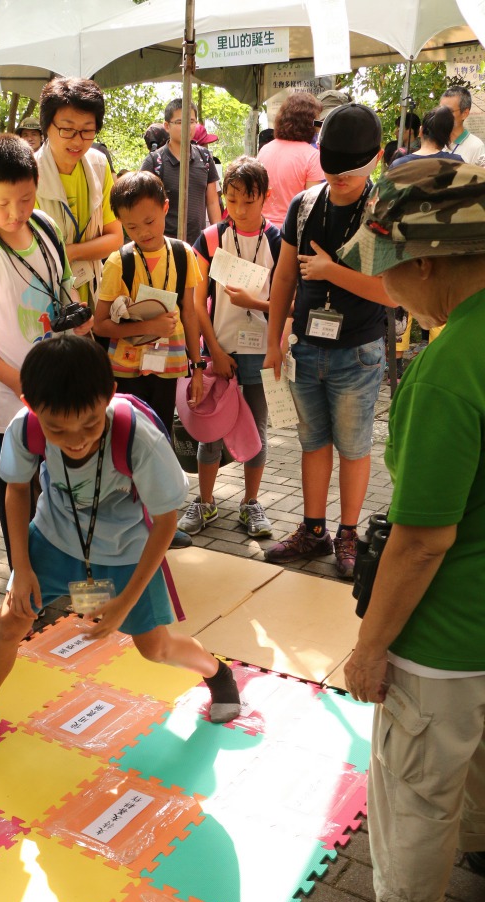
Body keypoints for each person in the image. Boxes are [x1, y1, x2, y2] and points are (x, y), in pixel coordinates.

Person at [308, 158, 485, 902]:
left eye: (393, 271)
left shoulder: (452, 365)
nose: (393, 293)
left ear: (430, 262)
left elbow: (422, 539)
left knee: (414, 785)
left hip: (448, 633)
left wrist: (372, 647)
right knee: (476, 754)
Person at [0, 336, 241, 761]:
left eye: (90, 425)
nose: (75, 440)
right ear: (31, 404)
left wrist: (124, 603)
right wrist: (21, 566)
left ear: (110, 397)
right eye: (57, 429)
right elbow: (17, 490)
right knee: (9, 622)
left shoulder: (139, 437)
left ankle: (218, 673)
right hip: (57, 536)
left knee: (155, 648)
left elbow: (167, 522)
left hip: (129, 549)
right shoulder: (25, 426)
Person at [263, 103, 394, 579]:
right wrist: (275, 338)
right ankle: (313, 530)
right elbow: (282, 278)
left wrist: (330, 271)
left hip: (357, 351)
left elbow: (389, 291)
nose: (339, 178)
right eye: (331, 167)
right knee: (312, 442)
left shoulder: (383, 209)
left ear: (376, 159)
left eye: (351, 170)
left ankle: (348, 534)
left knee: (354, 447)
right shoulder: (304, 205)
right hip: (305, 348)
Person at [0, 133, 92, 562]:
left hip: (58, 390)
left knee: (68, 488)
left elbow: (65, 290)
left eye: (27, 198)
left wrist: (79, 319)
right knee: (19, 491)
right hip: (9, 399)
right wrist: (21, 384)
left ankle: (67, 570)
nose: (17, 213)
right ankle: (26, 576)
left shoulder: (46, 227)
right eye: (3, 203)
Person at [179, 156, 281, 538]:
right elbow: (194, 303)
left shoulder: (278, 240)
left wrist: (253, 304)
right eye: (231, 200)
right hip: (217, 350)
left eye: (248, 201)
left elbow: (289, 303)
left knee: (257, 430)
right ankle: (205, 502)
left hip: (263, 353)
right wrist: (213, 355)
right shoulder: (208, 239)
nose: (238, 210)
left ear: (265, 197)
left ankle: (250, 504)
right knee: (210, 430)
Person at [93, 170, 204, 436]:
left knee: (160, 438)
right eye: (131, 227)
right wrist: (151, 327)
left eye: (149, 221)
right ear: (120, 222)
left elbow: (189, 313)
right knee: (126, 439)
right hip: (126, 371)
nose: (143, 232)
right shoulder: (119, 262)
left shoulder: (183, 254)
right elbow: (100, 325)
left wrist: (197, 367)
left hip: (169, 368)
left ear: (165, 208)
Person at [34, 76, 123, 310]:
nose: (77, 141)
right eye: (67, 130)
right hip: (43, 294)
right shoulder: (29, 174)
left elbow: (115, 237)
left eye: (87, 131)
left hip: (93, 290)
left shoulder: (99, 165)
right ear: (47, 126)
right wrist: (81, 252)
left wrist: (71, 252)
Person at [140, 98, 222, 244]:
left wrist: (217, 238)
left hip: (199, 245)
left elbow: (212, 202)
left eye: (191, 121)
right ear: (167, 126)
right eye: (179, 122)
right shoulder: (154, 162)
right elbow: (143, 206)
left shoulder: (205, 157)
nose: (187, 127)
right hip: (164, 245)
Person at [256, 92, 325, 227]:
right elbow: (310, 209)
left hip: (262, 230)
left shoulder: (264, 150)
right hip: (291, 235)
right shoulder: (312, 156)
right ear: (309, 123)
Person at [389, 106, 462, 170]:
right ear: (449, 136)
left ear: (420, 131)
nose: (395, 132)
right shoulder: (457, 163)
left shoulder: (399, 164)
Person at [440, 85, 485, 166]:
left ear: (464, 113)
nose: (442, 115)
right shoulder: (434, 140)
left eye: (448, 111)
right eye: (440, 110)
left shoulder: (476, 146)